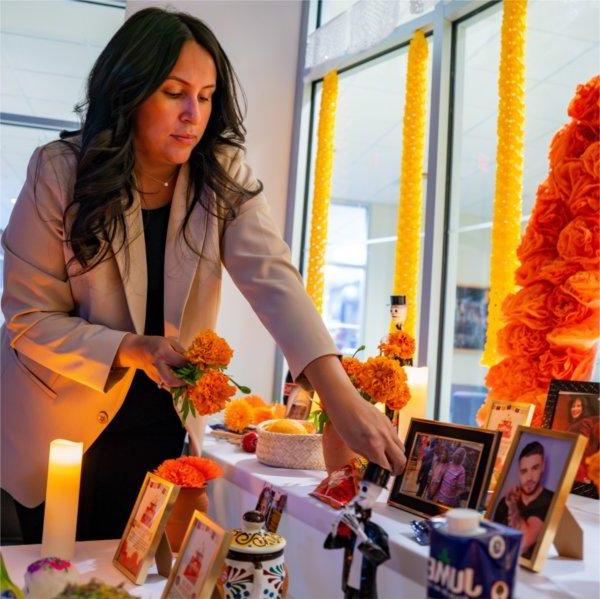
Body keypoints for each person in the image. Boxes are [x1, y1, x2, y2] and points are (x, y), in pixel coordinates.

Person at [0, 7, 406, 543]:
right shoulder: (59, 171)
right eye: (174, 92)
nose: (194, 113)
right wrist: (132, 348)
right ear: (128, 91)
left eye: (207, 95)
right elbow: (29, 320)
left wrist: (338, 393)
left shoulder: (220, 172)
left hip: (161, 432)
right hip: (56, 435)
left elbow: (272, 277)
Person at [493, 441, 554, 560]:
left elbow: (524, 542)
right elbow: (493, 540)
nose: (529, 478)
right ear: (518, 473)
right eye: (524, 471)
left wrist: (513, 507)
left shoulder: (550, 502)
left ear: (543, 466)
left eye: (535, 468)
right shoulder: (505, 502)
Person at [565, 394, 599, 485]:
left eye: (578, 406)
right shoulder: (577, 424)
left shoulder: (584, 423)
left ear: (585, 408)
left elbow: (582, 446)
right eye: (573, 406)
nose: (575, 409)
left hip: (579, 467)